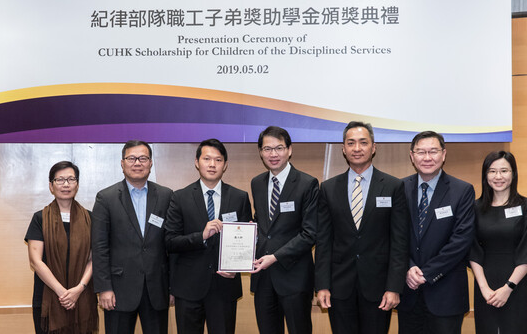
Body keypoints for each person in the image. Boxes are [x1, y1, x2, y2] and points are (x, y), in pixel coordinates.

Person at [315, 121, 410, 334]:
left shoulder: (393, 186)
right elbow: (323, 241)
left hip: (378, 288)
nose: (357, 148)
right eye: (351, 143)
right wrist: (322, 285)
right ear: (343, 148)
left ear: (373, 147)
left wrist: (394, 287)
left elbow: (399, 241)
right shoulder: (329, 188)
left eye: (363, 143)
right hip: (339, 287)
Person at [165, 138, 252, 334]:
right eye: (207, 159)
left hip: (224, 286)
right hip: (188, 288)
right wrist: (201, 236)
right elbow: (170, 241)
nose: (212, 164)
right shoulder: (179, 197)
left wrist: (237, 268)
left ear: (225, 165)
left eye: (218, 160)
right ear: (197, 162)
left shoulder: (240, 197)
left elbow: (246, 242)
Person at [398, 131, 475, 334]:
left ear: (444, 154)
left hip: (446, 293)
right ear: (412, 156)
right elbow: (394, 236)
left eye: (433, 151)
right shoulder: (399, 188)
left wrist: (427, 273)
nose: (427, 157)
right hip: (408, 292)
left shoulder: (462, 190)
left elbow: (461, 240)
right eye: (421, 152)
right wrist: (408, 267)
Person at [92, 140, 173, 334]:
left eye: (143, 158)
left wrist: (172, 287)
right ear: (122, 163)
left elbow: (171, 244)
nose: (137, 163)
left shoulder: (166, 195)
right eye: (131, 158)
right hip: (118, 290)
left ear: (151, 163)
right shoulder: (106, 198)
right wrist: (104, 287)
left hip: (157, 288)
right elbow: (99, 246)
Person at [250, 126, 319, 334]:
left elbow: (310, 233)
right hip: (263, 278)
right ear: (261, 152)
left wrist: (276, 257)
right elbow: (262, 224)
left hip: (295, 277)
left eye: (279, 148)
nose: (273, 154)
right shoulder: (257, 183)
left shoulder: (307, 184)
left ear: (289, 150)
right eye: (267, 149)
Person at [469, 151, 527, 334]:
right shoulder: (475, 208)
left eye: (504, 171)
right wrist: (484, 287)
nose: (498, 176)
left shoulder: (526, 206)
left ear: (513, 174)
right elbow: (473, 249)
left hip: (517, 286)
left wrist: (508, 288)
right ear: (485, 175)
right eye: (492, 171)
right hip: (486, 286)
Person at [25, 161, 98, 334]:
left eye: (71, 179)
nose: (66, 184)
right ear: (51, 186)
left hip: (83, 297)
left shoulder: (91, 218)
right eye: (60, 180)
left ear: (77, 184)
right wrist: (63, 293)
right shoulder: (40, 218)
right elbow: (36, 261)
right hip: (48, 297)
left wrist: (79, 289)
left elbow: (95, 258)